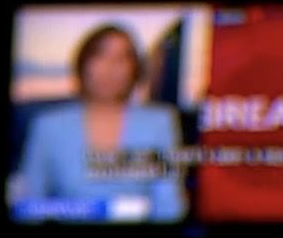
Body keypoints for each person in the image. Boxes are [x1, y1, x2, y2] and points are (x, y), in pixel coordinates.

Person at [13, 23, 186, 223]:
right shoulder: (48, 126)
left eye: (121, 59)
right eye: (100, 56)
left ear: (134, 69)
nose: (110, 68)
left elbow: (169, 204)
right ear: (83, 64)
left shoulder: (160, 123)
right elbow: (31, 203)